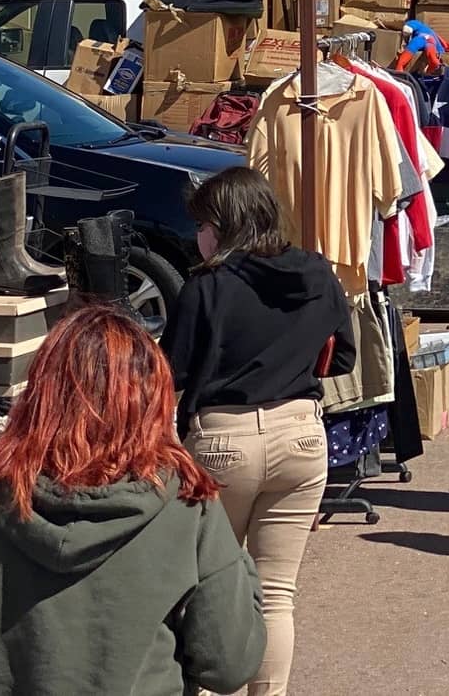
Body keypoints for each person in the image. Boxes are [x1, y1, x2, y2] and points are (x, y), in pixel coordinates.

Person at [0, 304, 267, 696]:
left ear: (41, 393)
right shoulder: (185, 503)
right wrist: (242, 571)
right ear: (152, 401)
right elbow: (229, 664)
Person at [162, 166, 353, 696]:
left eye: (203, 225)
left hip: (223, 441)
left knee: (205, 589)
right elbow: (343, 358)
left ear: (223, 226)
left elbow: (169, 372)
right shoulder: (318, 274)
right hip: (302, 436)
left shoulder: (206, 287)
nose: (197, 237)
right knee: (276, 594)